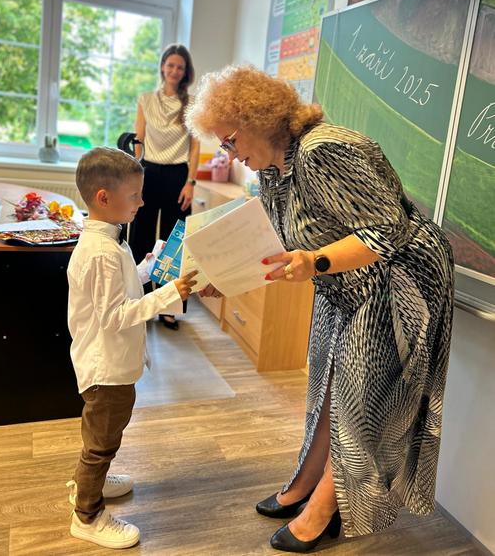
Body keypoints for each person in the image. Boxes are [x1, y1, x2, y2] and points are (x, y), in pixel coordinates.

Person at [187, 66, 454, 553]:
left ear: (257, 119)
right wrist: (222, 277)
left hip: (399, 280)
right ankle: (307, 481)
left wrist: (315, 261)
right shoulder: (272, 169)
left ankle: (324, 509)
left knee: (362, 395)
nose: (228, 153)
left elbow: (387, 230)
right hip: (342, 281)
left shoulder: (325, 150)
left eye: (229, 140)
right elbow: (277, 238)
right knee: (328, 382)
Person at [66, 147, 196, 549]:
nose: (142, 203)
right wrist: (169, 293)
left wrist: (146, 269)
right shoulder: (102, 252)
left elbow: (120, 290)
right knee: (102, 442)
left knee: (103, 433)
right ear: (104, 197)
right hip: (106, 367)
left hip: (110, 361)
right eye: (135, 196)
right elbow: (114, 315)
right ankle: (87, 514)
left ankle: (91, 482)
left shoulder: (108, 239)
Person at [129, 44, 200, 330]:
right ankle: (140, 302)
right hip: (148, 172)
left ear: (185, 72)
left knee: (175, 242)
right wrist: (134, 176)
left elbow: (196, 147)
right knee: (141, 238)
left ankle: (170, 306)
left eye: (180, 67)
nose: (174, 71)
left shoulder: (192, 104)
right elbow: (139, 140)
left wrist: (190, 182)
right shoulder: (146, 99)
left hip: (178, 176)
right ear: (162, 67)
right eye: (170, 65)